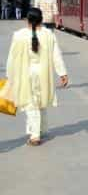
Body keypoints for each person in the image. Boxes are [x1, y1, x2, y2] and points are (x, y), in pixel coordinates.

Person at [3, 8, 68, 146]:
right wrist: (62, 73)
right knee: (41, 102)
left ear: (27, 20)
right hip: (43, 74)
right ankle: (41, 129)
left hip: (26, 74)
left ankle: (35, 136)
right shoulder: (49, 35)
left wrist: (9, 75)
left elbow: (12, 58)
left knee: (30, 104)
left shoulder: (19, 35)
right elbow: (56, 55)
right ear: (41, 20)